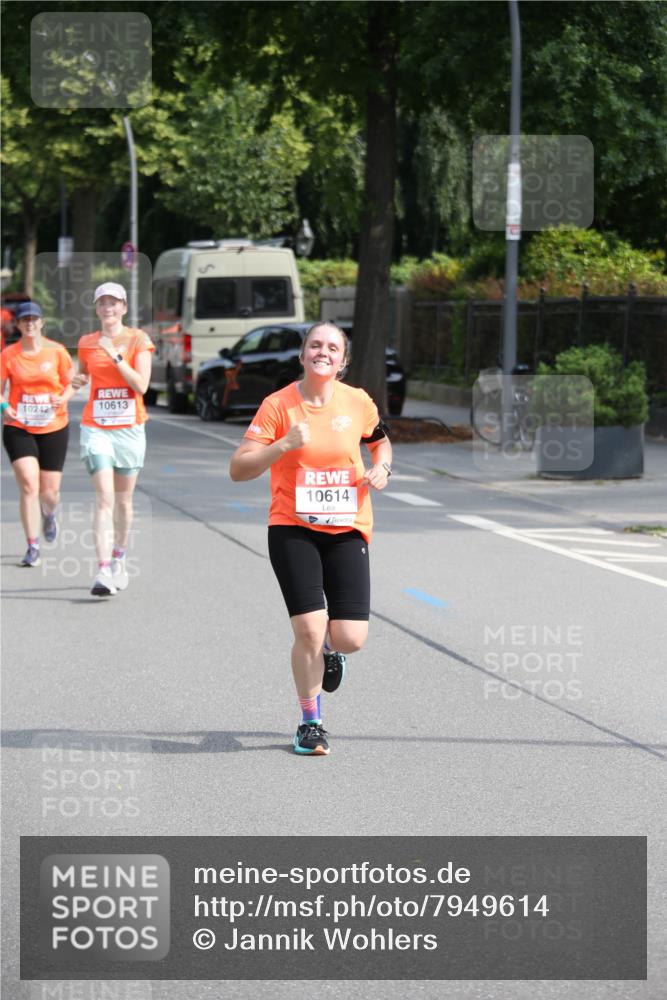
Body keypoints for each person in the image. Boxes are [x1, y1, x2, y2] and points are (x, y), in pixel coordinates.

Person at [229, 321, 393, 756]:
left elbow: (381, 443)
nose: (323, 352)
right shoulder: (278, 404)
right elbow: (239, 468)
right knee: (307, 627)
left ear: (342, 362)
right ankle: (310, 722)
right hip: (292, 527)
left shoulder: (357, 402)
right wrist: (281, 445)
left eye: (332, 347)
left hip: (347, 527)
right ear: (302, 356)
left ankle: (329, 649)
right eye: (315, 345)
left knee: (350, 638)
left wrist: (383, 468)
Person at [72, 282, 154, 597]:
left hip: (130, 428)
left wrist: (117, 357)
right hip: (96, 427)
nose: (108, 307)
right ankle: (103, 568)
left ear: (123, 308)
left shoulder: (138, 340)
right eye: (102, 302)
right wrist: (78, 380)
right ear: (97, 308)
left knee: (123, 500)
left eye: (114, 302)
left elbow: (142, 386)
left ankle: (120, 557)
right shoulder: (86, 342)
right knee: (105, 498)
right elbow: (84, 375)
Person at [1, 301, 75, 566]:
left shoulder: (57, 352)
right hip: (19, 426)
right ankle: (32, 546)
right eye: (24, 320)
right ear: (18, 325)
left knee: (49, 492)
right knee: (29, 485)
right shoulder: (9, 355)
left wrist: (63, 398)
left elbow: (72, 382)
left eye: (34, 319)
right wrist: (4, 407)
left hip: (54, 426)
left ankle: (49, 513)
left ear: (42, 322)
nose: (30, 324)